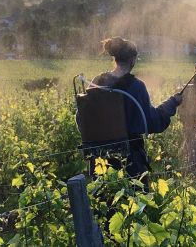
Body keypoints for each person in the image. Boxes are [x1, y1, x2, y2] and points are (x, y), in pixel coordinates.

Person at [76, 37, 182, 183]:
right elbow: (151, 122)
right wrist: (172, 102)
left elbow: (82, 118)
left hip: (100, 161)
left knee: (105, 201)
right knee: (134, 201)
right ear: (133, 59)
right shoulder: (136, 86)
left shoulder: (97, 81)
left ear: (115, 58)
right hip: (130, 162)